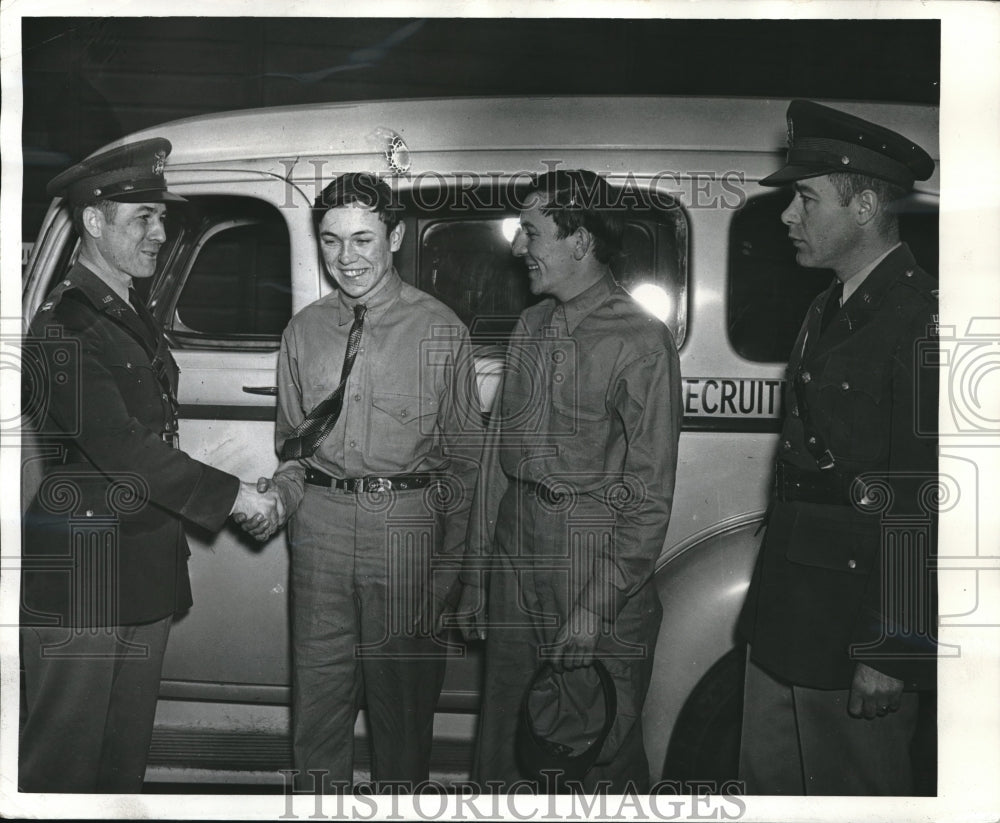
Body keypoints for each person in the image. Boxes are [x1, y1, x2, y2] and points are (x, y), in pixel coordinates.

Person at [20, 137, 284, 793]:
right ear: (93, 220)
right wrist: (235, 497)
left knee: (120, 769)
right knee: (64, 767)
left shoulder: (127, 312)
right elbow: (124, 450)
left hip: (139, 568)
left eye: (162, 218)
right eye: (144, 218)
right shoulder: (64, 327)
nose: (160, 233)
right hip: (85, 578)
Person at [455, 169, 683, 792]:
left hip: (589, 565)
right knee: (505, 743)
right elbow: (496, 464)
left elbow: (648, 498)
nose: (518, 247)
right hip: (514, 559)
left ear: (579, 240)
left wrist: (593, 609)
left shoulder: (641, 341)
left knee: (593, 748)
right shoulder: (530, 327)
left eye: (531, 232)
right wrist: (478, 578)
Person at [737, 100, 939, 795]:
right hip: (789, 612)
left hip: (853, 628)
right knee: (767, 785)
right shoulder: (827, 305)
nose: (789, 216)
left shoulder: (919, 320)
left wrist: (894, 646)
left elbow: (923, 494)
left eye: (805, 198)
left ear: (864, 206)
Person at [261, 173, 483, 790]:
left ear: (397, 236)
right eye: (331, 242)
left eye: (363, 239)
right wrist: (280, 492)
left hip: (407, 532)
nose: (347, 258)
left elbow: (465, 464)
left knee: (404, 716)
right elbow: (293, 449)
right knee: (317, 708)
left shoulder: (442, 330)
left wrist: (455, 568)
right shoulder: (302, 332)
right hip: (321, 533)